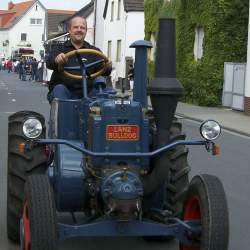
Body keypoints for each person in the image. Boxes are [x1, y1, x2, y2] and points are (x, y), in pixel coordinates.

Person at [46, 16, 111, 101]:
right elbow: (49, 62)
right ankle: (64, 113)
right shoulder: (59, 48)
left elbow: (105, 71)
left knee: (106, 92)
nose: (79, 30)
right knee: (59, 89)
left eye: (82, 28)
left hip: (89, 94)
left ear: (86, 31)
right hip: (65, 92)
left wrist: (108, 66)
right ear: (70, 30)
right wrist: (57, 60)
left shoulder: (94, 51)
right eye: (76, 27)